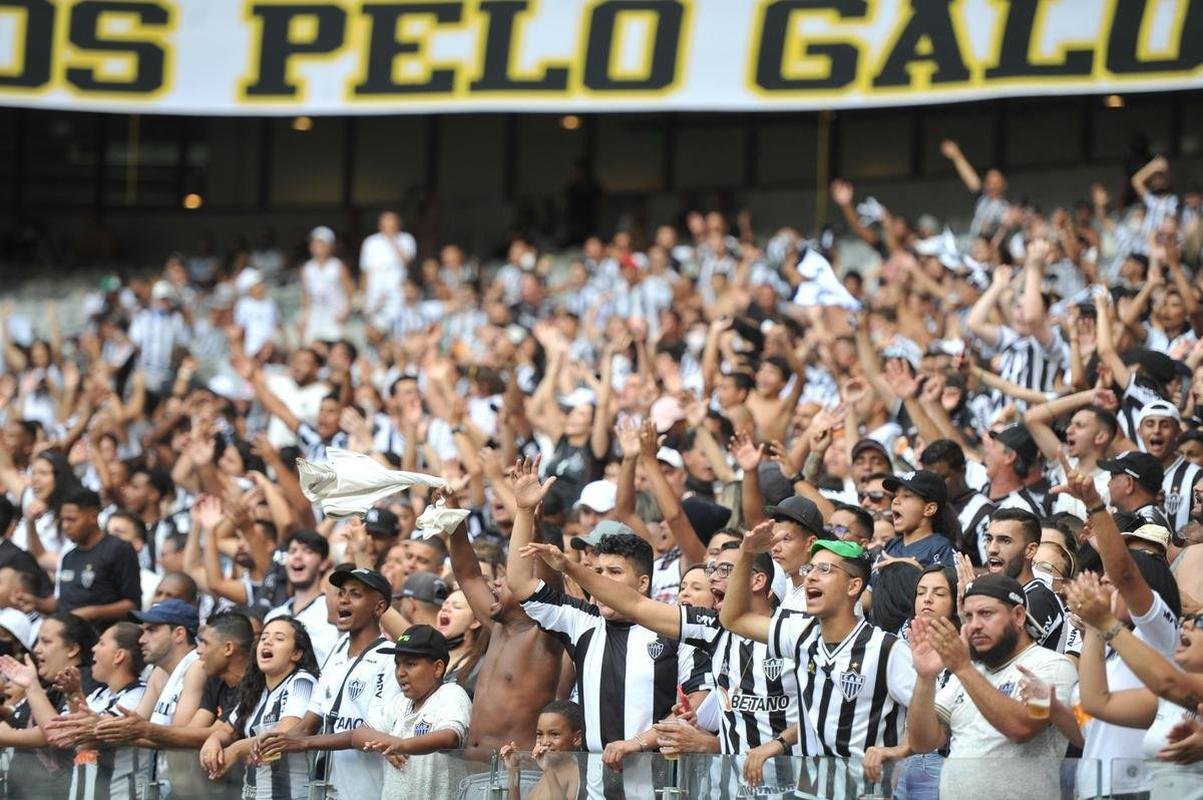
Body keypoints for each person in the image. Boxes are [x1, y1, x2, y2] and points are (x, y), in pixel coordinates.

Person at [505, 457, 708, 755]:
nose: (601, 582)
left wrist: (637, 744)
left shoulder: (674, 629)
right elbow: (520, 582)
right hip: (596, 781)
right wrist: (523, 512)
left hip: (657, 780)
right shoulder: (582, 621)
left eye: (615, 573)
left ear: (642, 583)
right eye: (598, 573)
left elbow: (697, 702)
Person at [722, 528, 914, 796]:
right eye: (811, 568)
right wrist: (746, 553)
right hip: (809, 793)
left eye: (825, 569)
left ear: (853, 586)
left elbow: (935, 722)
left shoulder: (888, 649)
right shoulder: (801, 633)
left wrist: (898, 750)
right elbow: (732, 619)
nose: (810, 575)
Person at [1054, 454, 1184, 797]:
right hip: (1093, 790)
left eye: (1114, 586)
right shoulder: (1106, 645)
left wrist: (1095, 503)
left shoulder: (1159, 634)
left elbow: (1125, 572)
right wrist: (1096, 624)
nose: (1106, 588)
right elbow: (1092, 718)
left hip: (1138, 789)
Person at [906, 574, 1080, 800]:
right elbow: (923, 742)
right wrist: (925, 677)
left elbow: (1021, 728)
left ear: (1018, 616)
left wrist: (963, 668)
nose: (975, 625)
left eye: (986, 614)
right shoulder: (969, 671)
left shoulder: (1051, 665)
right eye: (968, 616)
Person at [256, 568, 400, 800]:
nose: (343, 599)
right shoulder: (338, 649)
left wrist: (303, 743)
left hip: (368, 790)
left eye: (355, 594)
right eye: (341, 592)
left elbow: (372, 735)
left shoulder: (390, 657)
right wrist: (273, 743)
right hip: (326, 789)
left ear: (379, 607)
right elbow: (308, 724)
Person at [199, 617, 320, 800]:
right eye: (263, 638)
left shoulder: (302, 681)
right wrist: (213, 740)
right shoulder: (256, 689)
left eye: (279, 639)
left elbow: (288, 732)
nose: (268, 642)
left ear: (296, 653)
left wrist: (237, 748)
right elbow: (227, 729)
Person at [353, 625, 472, 800]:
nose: (400, 672)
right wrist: (389, 743)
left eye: (410, 664)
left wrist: (402, 745)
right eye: (397, 664)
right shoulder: (400, 703)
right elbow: (359, 733)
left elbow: (450, 736)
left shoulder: (451, 694)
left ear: (437, 668)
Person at [48, 488, 142, 631]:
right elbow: (61, 603)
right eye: (63, 520)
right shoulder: (68, 557)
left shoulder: (118, 549)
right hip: (69, 638)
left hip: (103, 638)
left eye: (72, 519)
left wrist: (92, 613)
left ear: (93, 516)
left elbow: (132, 605)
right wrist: (35, 602)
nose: (65, 526)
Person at [982, 508, 1067, 652]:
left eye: (1005, 541)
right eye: (989, 539)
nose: (992, 549)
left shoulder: (1039, 599)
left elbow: (999, 655)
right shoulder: (1007, 596)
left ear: (1030, 550)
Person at [264, 530, 338, 665]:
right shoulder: (273, 616)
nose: (297, 556)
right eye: (292, 551)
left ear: (323, 563)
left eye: (308, 551)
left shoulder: (332, 611)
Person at [500, 700, 586, 800]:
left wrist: (548, 770)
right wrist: (513, 770)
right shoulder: (547, 771)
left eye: (554, 734)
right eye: (540, 734)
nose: (545, 742)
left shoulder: (576, 771)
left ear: (577, 738)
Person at [879, 470, 957, 568]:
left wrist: (915, 569)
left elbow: (948, 581)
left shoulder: (941, 548)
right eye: (895, 495)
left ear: (929, 509)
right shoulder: (891, 544)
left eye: (906, 496)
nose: (895, 501)